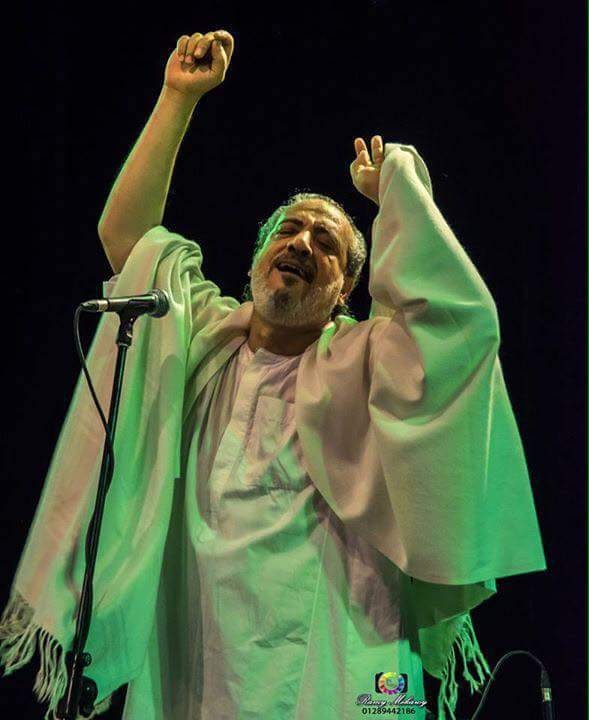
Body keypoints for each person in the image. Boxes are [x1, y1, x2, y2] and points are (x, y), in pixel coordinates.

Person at [0, 29, 547, 720]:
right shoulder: (196, 340)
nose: (302, 243)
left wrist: (397, 192)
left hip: (346, 655)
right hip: (197, 653)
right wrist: (177, 97)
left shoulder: (369, 361)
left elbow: (460, 322)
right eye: (289, 230)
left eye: (326, 243)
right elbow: (127, 239)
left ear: (344, 290)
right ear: (259, 255)